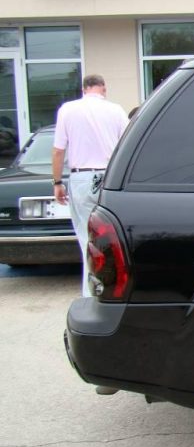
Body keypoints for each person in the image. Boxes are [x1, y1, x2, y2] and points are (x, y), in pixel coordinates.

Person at [52, 74, 128, 301]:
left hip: (82, 179)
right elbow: (127, 142)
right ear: (103, 88)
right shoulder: (115, 110)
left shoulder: (68, 109)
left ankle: (90, 293)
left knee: (87, 237)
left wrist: (57, 182)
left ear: (84, 88)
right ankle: (115, 288)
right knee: (113, 236)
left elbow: (58, 150)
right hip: (110, 176)